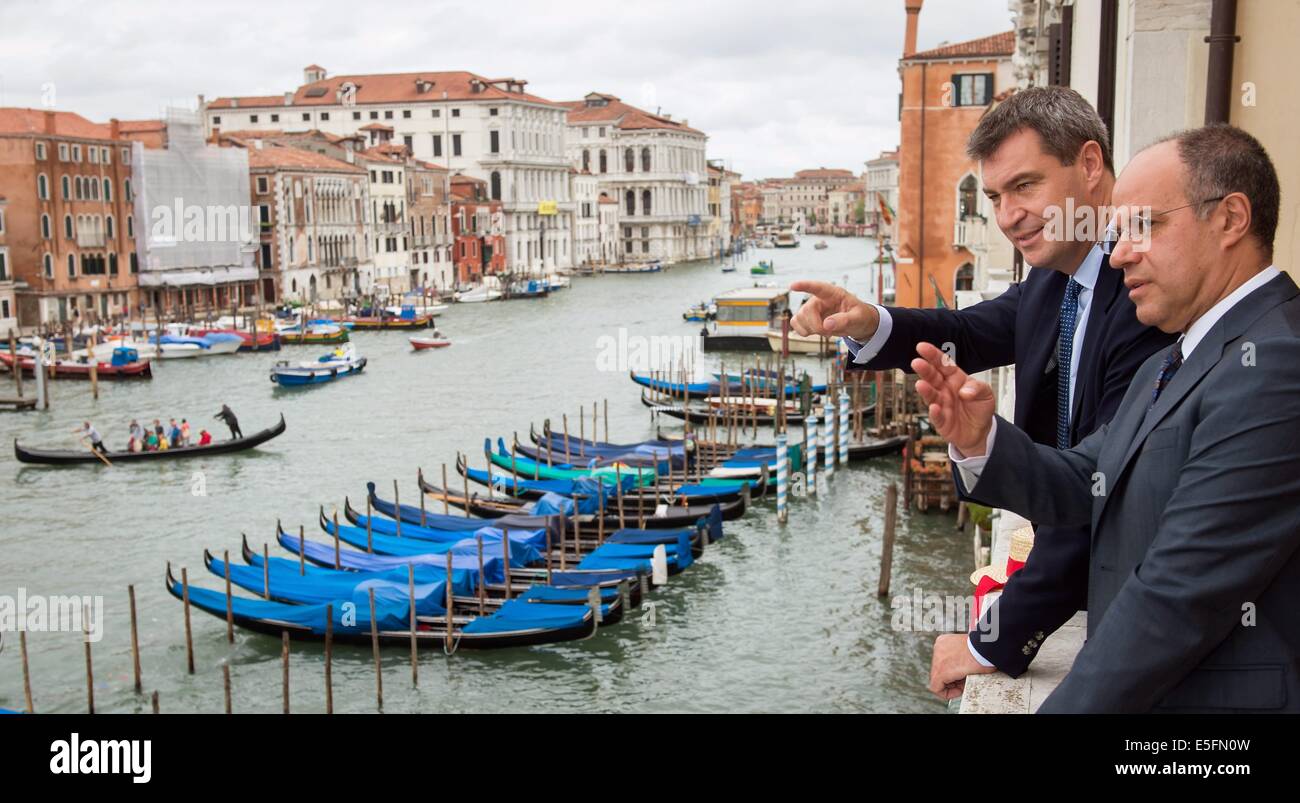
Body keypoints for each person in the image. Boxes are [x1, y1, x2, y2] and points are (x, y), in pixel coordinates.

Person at [790, 87, 1175, 681]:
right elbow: (965, 334)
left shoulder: (1147, 298)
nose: (1006, 216)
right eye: (995, 195)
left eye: (1025, 186)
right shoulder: (1057, 278)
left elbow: (1106, 491)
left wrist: (991, 643)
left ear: (1091, 165)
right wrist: (868, 320)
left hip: (1137, 602)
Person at [916, 124, 1300, 712]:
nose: (1118, 254)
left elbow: (1178, 594)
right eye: (1118, 233)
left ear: (1230, 219)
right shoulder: (1175, 356)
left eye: (1145, 226)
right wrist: (982, 442)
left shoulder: (1276, 364)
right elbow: (1087, 482)